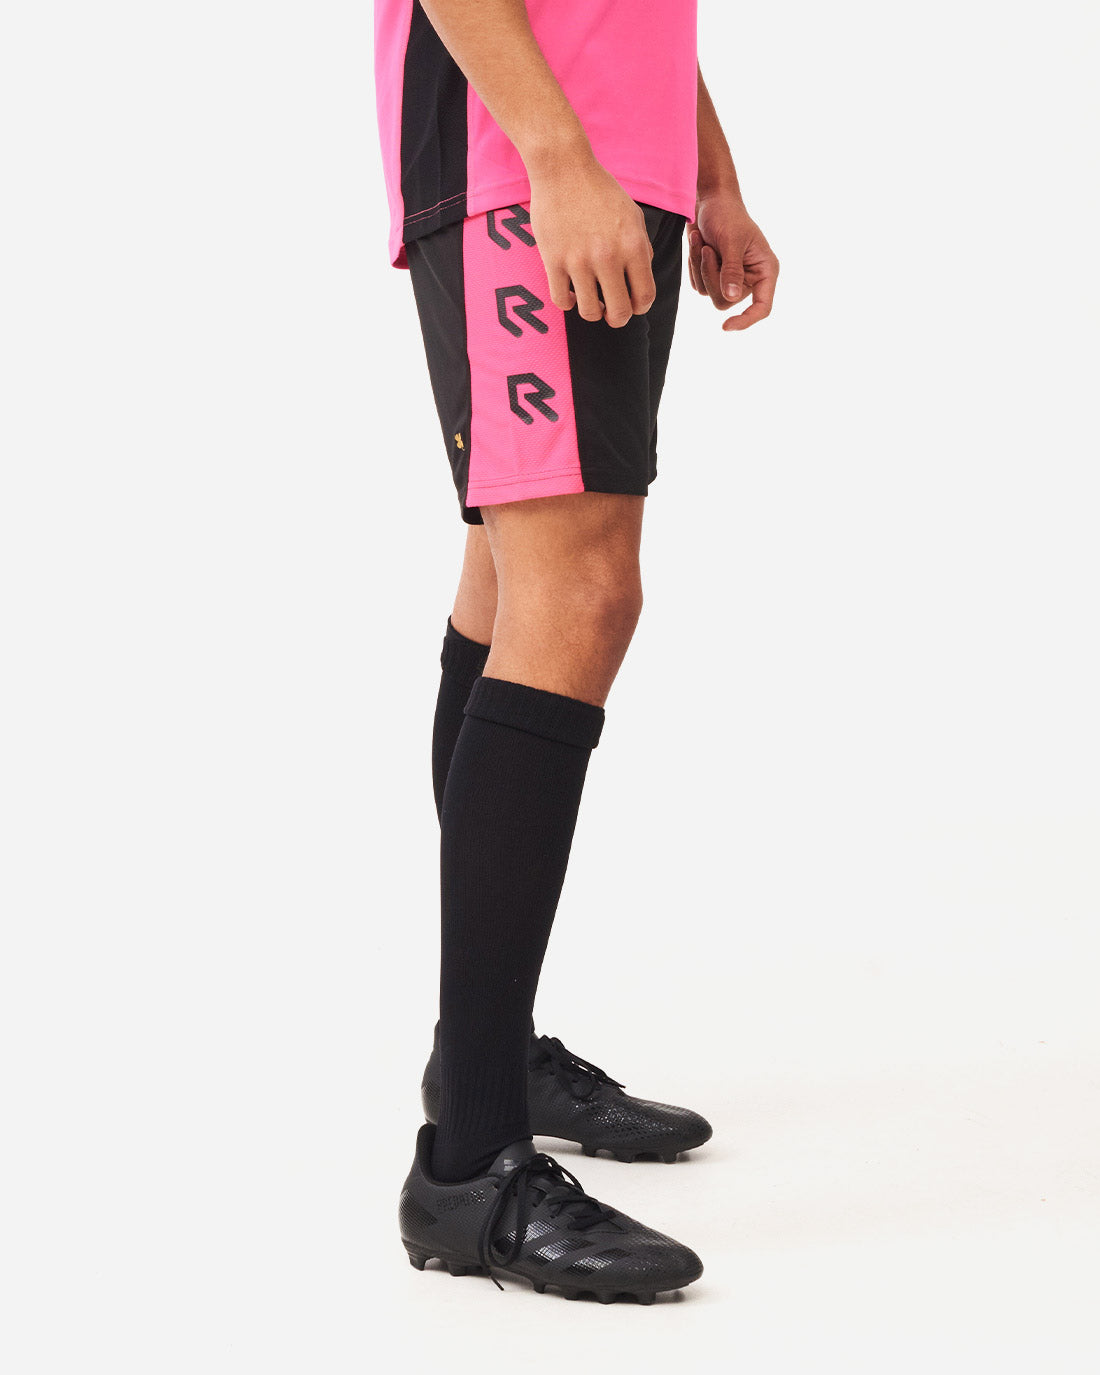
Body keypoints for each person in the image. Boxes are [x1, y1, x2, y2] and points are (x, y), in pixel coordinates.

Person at [375, 0, 779, 1303]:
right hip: (527, 157)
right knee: (581, 593)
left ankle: (482, 1055)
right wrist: (556, 156)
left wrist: (709, 173)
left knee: (515, 583)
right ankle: (470, 1164)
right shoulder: (544, 158)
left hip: (608, 162)